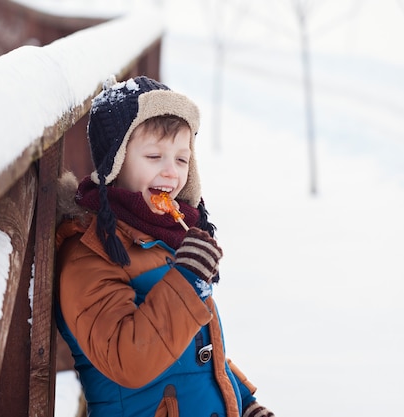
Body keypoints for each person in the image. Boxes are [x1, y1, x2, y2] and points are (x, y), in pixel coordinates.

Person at [55, 75, 274, 417]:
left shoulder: (160, 238)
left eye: (182, 160)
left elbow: (192, 350)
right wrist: (186, 282)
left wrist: (243, 403)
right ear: (115, 163)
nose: (171, 173)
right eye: (155, 156)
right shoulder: (89, 254)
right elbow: (129, 360)